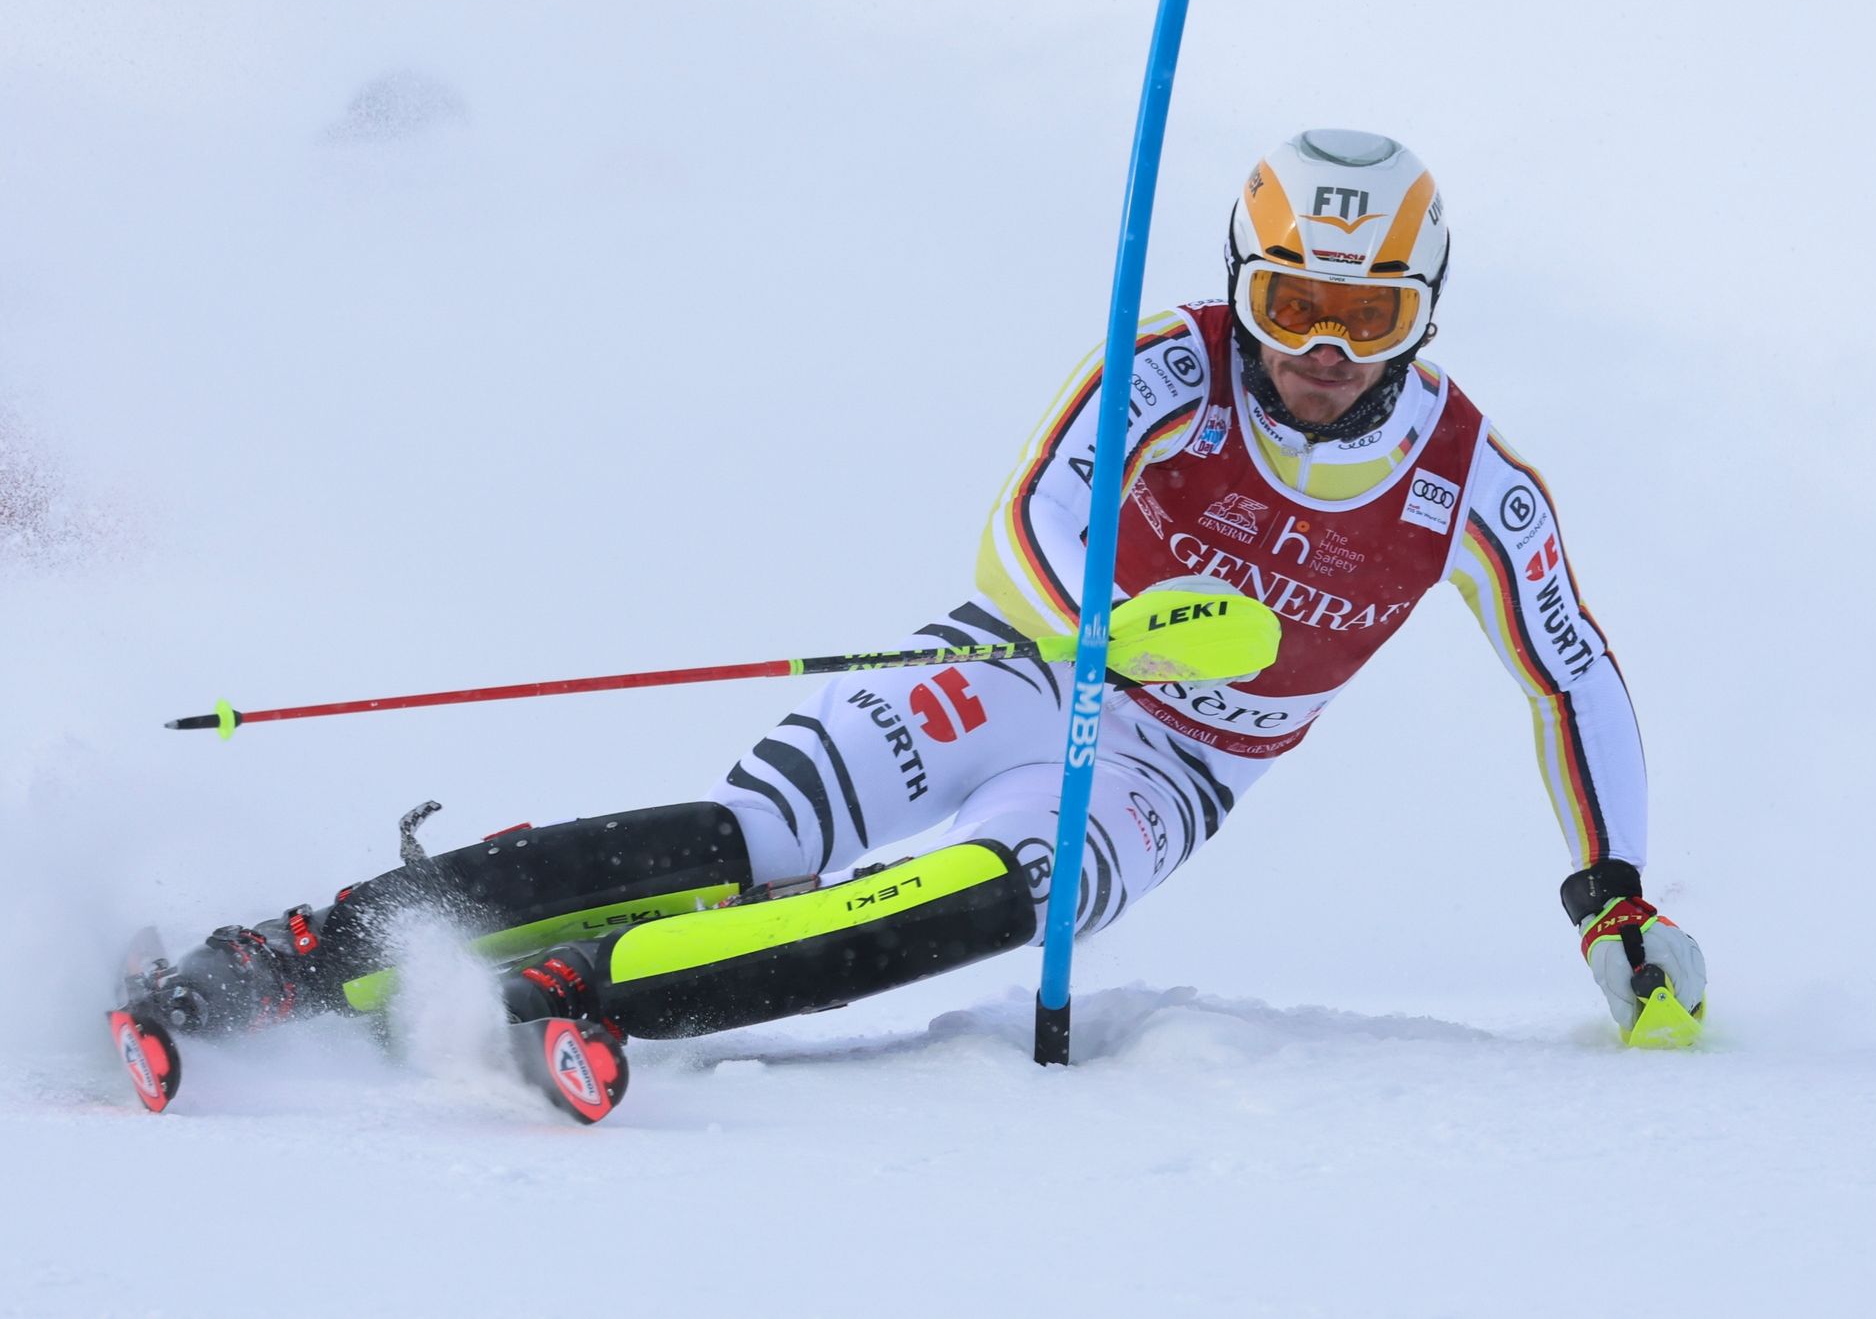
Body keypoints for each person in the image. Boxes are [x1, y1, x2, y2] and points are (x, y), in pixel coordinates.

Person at [134, 129, 1706, 1085]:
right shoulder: (1168, 362)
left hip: (1176, 767)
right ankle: (297, 948)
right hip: (1020, 659)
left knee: (997, 892)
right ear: (1245, 278)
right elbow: (1025, 521)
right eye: (1291, 302)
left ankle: (594, 989)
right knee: (764, 832)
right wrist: (1097, 623)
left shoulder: (1472, 483)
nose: (1320, 351)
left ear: (1423, 311)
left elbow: (1569, 678)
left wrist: (1615, 898)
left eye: (1366, 315)